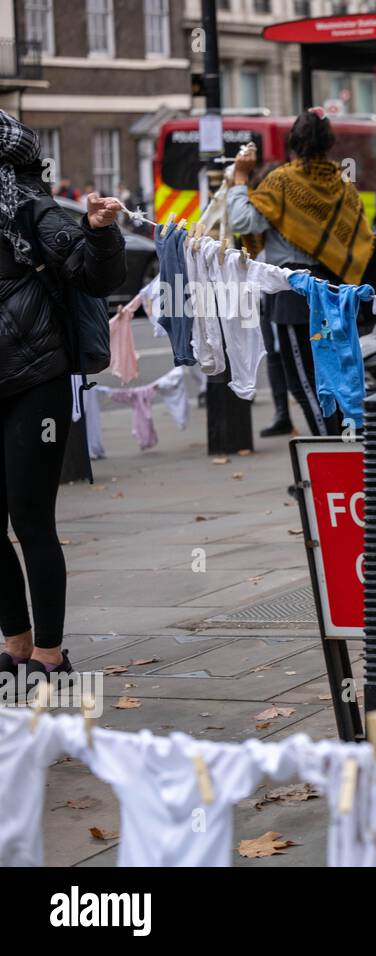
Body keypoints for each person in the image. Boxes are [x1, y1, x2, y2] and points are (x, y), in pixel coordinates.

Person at [0, 110, 126, 680]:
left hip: (34, 381)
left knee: (31, 521)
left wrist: (100, 232)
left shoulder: (30, 209)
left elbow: (94, 276)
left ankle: (51, 654)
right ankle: (16, 644)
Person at [228, 110, 376, 437]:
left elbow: (242, 221)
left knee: (305, 380)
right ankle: (345, 446)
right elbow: (361, 236)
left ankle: (332, 452)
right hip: (336, 291)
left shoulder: (282, 181)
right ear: (329, 142)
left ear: (293, 141)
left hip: (297, 293)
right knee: (337, 375)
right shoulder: (342, 184)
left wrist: (240, 181)